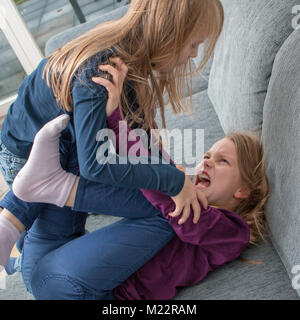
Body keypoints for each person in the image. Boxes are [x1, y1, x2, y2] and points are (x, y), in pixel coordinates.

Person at [0, 0, 223, 287]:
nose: (192, 56)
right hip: (30, 153)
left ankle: (21, 232)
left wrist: (168, 168)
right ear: (170, 32)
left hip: (56, 144)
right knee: (58, 244)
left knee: (63, 232)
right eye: (193, 45)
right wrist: (174, 180)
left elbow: (137, 134)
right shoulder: (102, 69)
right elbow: (94, 163)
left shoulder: (126, 57)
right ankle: (17, 223)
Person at [2, 107, 268, 299]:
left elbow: (165, 194)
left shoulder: (233, 232)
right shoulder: (191, 190)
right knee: (71, 127)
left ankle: (47, 196)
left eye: (223, 161)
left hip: (77, 291)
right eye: (208, 155)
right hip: (47, 258)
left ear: (243, 190)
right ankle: (10, 225)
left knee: (170, 195)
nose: (206, 161)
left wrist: (116, 118)